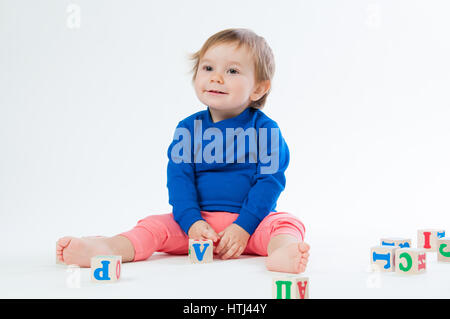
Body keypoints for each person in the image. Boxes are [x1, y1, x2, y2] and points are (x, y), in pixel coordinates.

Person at [56, 28, 310, 274]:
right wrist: (191, 222)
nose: (216, 77)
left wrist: (243, 226)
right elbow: (179, 180)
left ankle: (282, 253)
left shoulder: (266, 130)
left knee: (287, 225)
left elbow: (270, 181)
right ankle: (108, 247)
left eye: (232, 71)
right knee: (153, 227)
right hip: (196, 225)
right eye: (208, 68)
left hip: (252, 224)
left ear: (258, 88)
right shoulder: (188, 129)